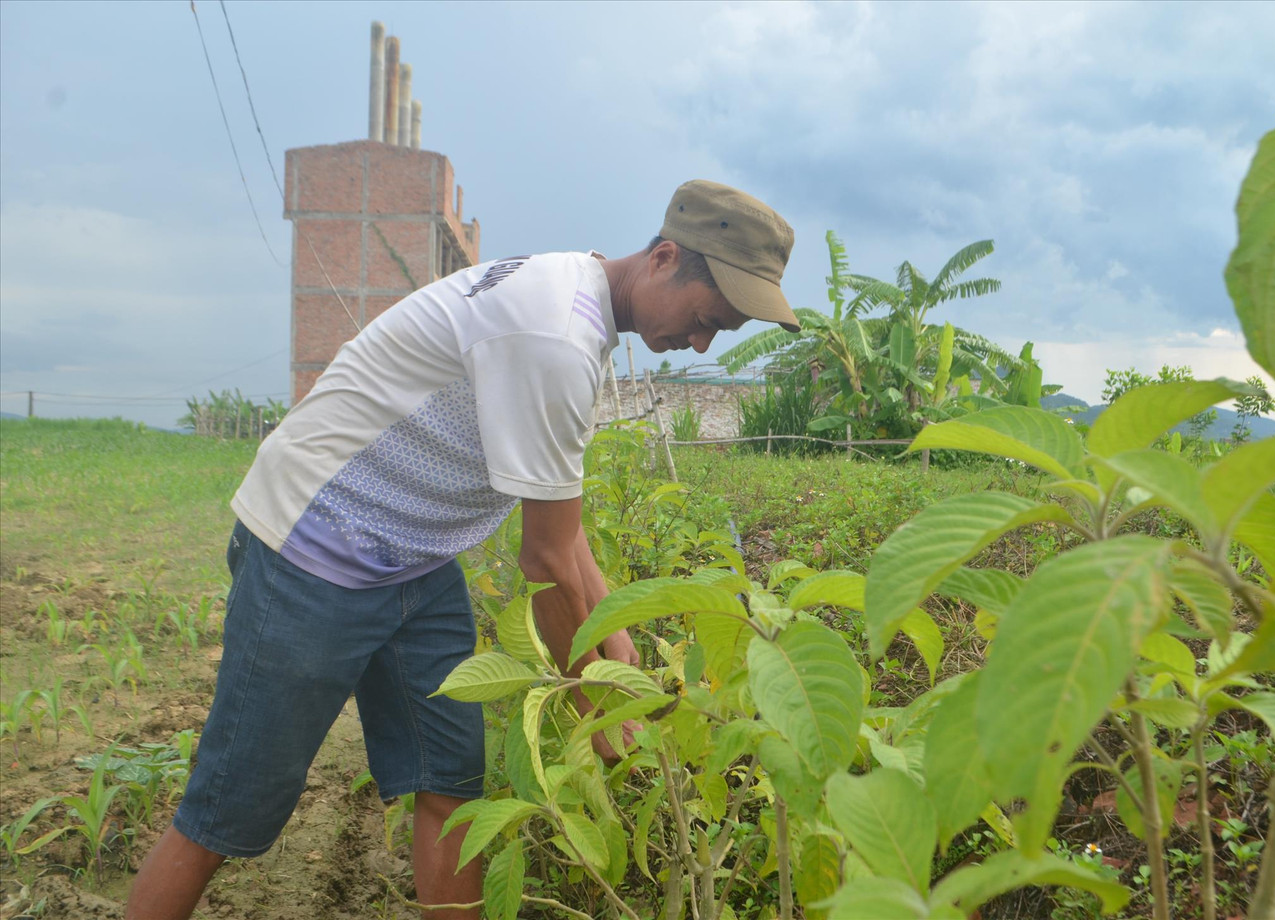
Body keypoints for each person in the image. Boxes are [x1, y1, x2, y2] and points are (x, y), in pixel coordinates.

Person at [125, 180, 799, 920]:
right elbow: (544, 561)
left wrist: (620, 646)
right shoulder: (555, 333)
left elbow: (566, 539)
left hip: (417, 556)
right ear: (665, 258)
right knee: (228, 810)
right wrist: (594, 697)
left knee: (450, 785)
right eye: (704, 319)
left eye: (719, 335)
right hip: (314, 545)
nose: (699, 344)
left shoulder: (582, 307)